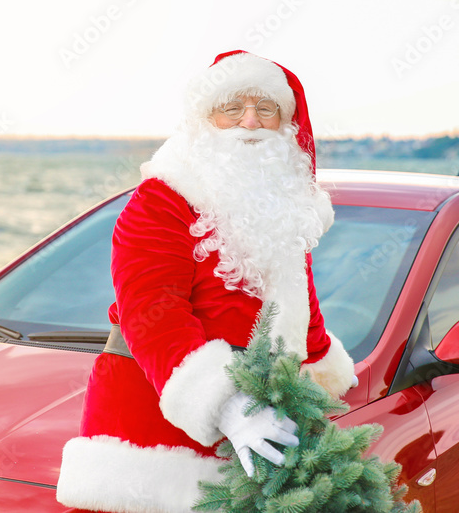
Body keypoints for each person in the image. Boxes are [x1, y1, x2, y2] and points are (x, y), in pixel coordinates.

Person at [56, 50, 357, 513]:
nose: (249, 122)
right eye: (232, 109)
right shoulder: (161, 200)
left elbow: (298, 305)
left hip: (259, 426)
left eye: (265, 109)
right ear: (206, 120)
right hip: (152, 427)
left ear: (285, 124)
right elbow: (152, 314)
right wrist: (226, 406)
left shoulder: (282, 208)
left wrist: (327, 371)